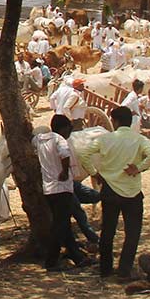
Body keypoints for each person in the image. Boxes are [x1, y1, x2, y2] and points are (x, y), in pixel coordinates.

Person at [78, 105, 150, 281]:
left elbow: (83, 153)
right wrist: (138, 168)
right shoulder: (139, 139)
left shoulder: (106, 139)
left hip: (110, 188)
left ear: (114, 121)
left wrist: (94, 172)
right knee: (132, 232)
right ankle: (125, 269)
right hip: (131, 190)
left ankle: (105, 268)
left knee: (108, 230)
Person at [35, 114, 89, 271]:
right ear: (63, 128)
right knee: (60, 226)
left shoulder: (40, 140)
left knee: (63, 224)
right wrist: (64, 171)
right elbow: (65, 154)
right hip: (62, 187)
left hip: (49, 188)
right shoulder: (60, 140)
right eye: (69, 129)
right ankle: (52, 261)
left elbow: (32, 139)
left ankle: (76, 256)